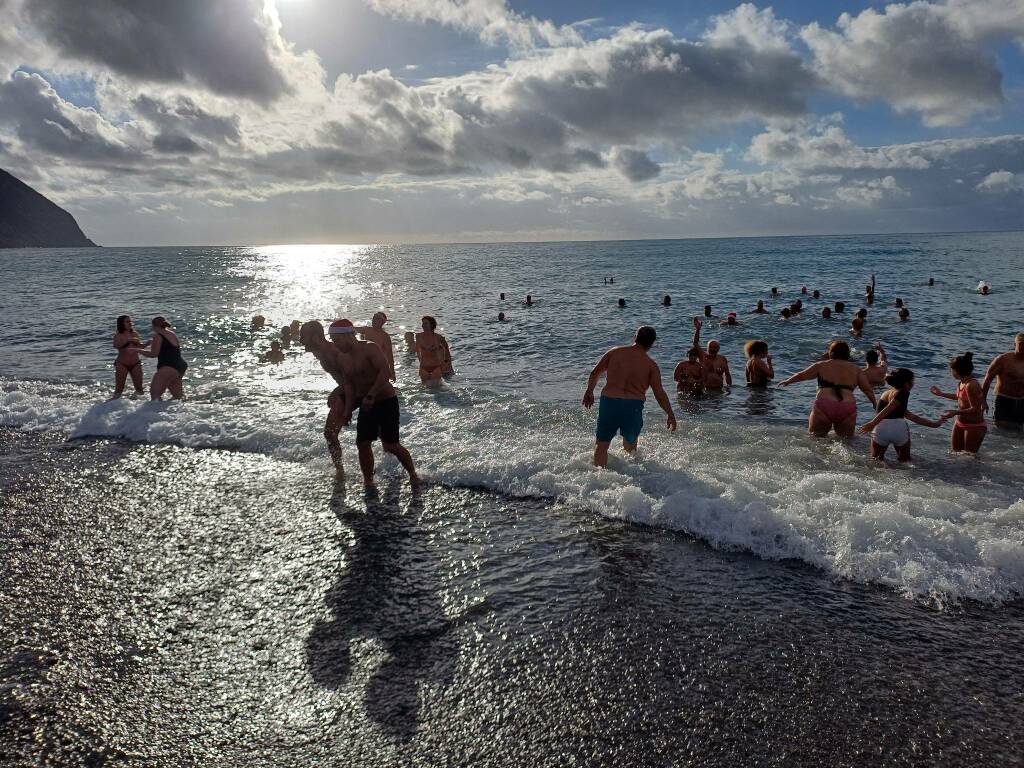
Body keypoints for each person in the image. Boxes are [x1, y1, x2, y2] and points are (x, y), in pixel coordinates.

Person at [328, 318, 418, 487]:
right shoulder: (342, 358)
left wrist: (372, 394)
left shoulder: (370, 348)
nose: (336, 345)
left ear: (350, 335)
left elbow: (385, 372)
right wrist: (347, 411)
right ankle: (368, 481)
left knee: (390, 445)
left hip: (385, 401)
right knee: (362, 443)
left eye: (338, 341)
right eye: (333, 341)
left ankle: (413, 475)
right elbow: (349, 386)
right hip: (366, 404)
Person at [583, 326, 677, 467]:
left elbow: (595, 373)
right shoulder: (651, 365)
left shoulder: (614, 353)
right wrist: (670, 413)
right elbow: (659, 393)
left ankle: (598, 479)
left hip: (610, 402)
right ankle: (631, 480)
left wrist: (589, 391)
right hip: (633, 406)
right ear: (653, 343)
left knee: (601, 445)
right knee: (631, 447)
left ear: (635, 337)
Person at [778, 340, 876, 437]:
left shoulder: (821, 365)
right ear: (847, 354)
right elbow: (867, 390)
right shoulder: (857, 370)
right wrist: (875, 404)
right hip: (847, 406)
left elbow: (802, 375)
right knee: (846, 441)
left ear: (831, 353)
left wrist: (788, 381)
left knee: (816, 438)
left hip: (825, 404)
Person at [301, 320, 355, 479]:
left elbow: (353, 377)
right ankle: (340, 471)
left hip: (359, 389)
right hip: (346, 390)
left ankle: (344, 472)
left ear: (316, 338)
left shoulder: (333, 352)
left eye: (303, 336)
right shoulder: (321, 352)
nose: (300, 340)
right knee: (330, 434)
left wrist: (337, 392)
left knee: (384, 439)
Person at [858, 368, 947, 462]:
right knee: (905, 461)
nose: (913, 383)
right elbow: (891, 407)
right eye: (912, 381)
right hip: (898, 429)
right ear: (906, 383)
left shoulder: (886, 393)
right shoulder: (903, 392)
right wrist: (872, 423)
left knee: (876, 460)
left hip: (880, 429)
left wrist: (935, 424)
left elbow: (910, 416)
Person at [931, 352, 987, 454]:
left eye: (951, 370)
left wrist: (954, 412)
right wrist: (941, 394)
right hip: (959, 423)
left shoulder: (971, 385)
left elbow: (975, 409)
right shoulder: (962, 382)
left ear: (957, 371)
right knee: (954, 453)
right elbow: (959, 397)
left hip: (974, 426)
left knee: (969, 457)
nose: (950, 372)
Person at [136, 316, 188, 401]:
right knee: (178, 398)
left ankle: (153, 414)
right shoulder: (171, 333)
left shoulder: (158, 336)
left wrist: (137, 350)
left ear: (154, 326)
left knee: (155, 396)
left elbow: (153, 354)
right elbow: (169, 349)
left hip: (168, 367)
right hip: (180, 366)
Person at [981, 332, 1024, 431]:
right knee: (1000, 429)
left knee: (1018, 430)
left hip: (1022, 401)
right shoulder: (1003, 360)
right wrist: (983, 401)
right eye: (1021, 344)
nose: (1023, 347)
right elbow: (988, 379)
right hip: (1004, 399)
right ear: (1015, 344)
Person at [692, 317, 732, 389]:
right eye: (710, 347)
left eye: (715, 347)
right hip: (705, 389)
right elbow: (695, 343)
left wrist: (729, 390)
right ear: (707, 348)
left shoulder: (722, 359)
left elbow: (727, 375)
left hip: (719, 389)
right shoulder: (703, 356)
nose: (712, 349)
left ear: (718, 349)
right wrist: (697, 330)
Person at [354, 312, 395, 381]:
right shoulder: (366, 330)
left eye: (377, 319)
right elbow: (351, 329)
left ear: (382, 322)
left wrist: (392, 372)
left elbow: (389, 355)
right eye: (373, 318)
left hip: (377, 366)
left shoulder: (385, 336)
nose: (373, 320)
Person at [112, 315, 145, 399]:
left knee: (139, 389)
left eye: (130, 321)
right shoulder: (118, 335)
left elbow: (139, 346)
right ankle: (111, 407)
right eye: (127, 322)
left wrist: (147, 344)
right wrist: (127, 341)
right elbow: (116, 346)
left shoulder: (134, 333)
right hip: (122, 363)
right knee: (119, 389)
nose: (130, 323)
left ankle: (139, 408)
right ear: (122, 324)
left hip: (136, 363)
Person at [415, 316, 446, 384]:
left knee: (437, 391)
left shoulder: (438, 337)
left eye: (426, 323)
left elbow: (444, 349)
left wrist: (442, 363)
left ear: (431, 324)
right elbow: (417, 351)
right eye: (423, 323)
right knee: (424, 391)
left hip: (436, 367)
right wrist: (421, 362)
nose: (423, 325)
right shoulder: (418, 336)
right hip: (423, 367)